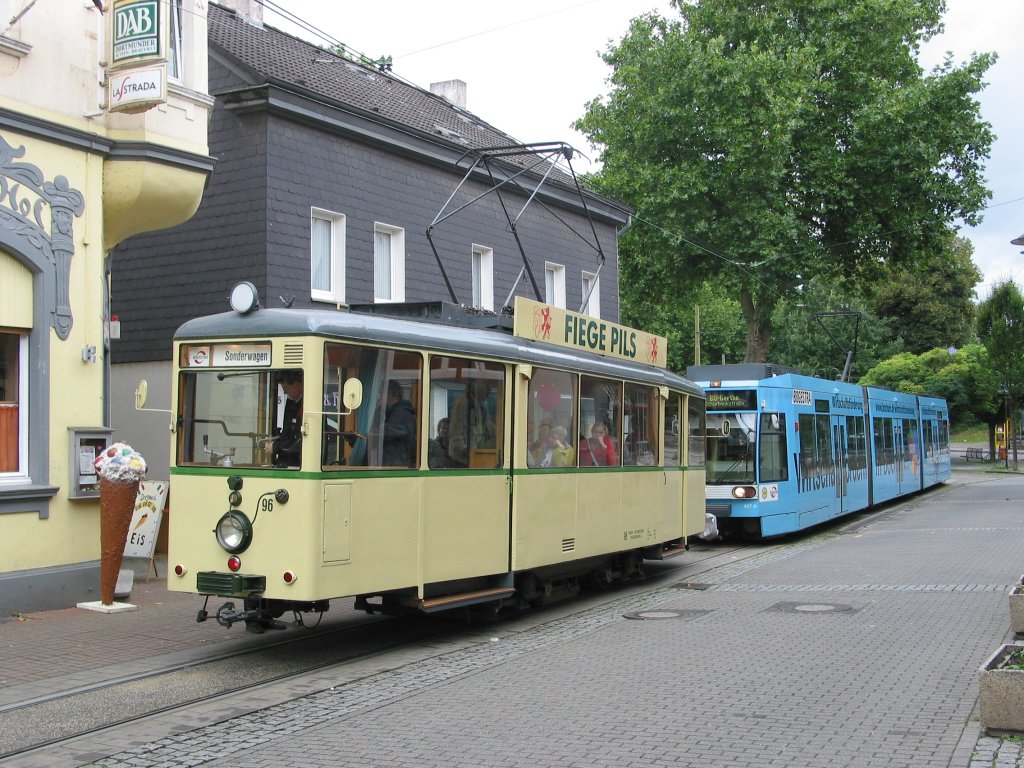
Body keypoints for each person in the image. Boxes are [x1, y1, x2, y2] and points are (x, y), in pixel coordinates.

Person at [268, 370, 303, 467]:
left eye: (286, 388)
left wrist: (276, 447)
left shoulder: (305, 406)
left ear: (296, 385)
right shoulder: (292, 403)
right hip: (287, 462)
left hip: (297, 463)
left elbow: (300, 441)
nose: (285, 392)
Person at [382, 380, 417, 467]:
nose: (380, 398)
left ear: (390, 394)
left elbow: (385, 435)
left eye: (381, 394)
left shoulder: (401, 414)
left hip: (397, 465)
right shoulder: (394, 413)